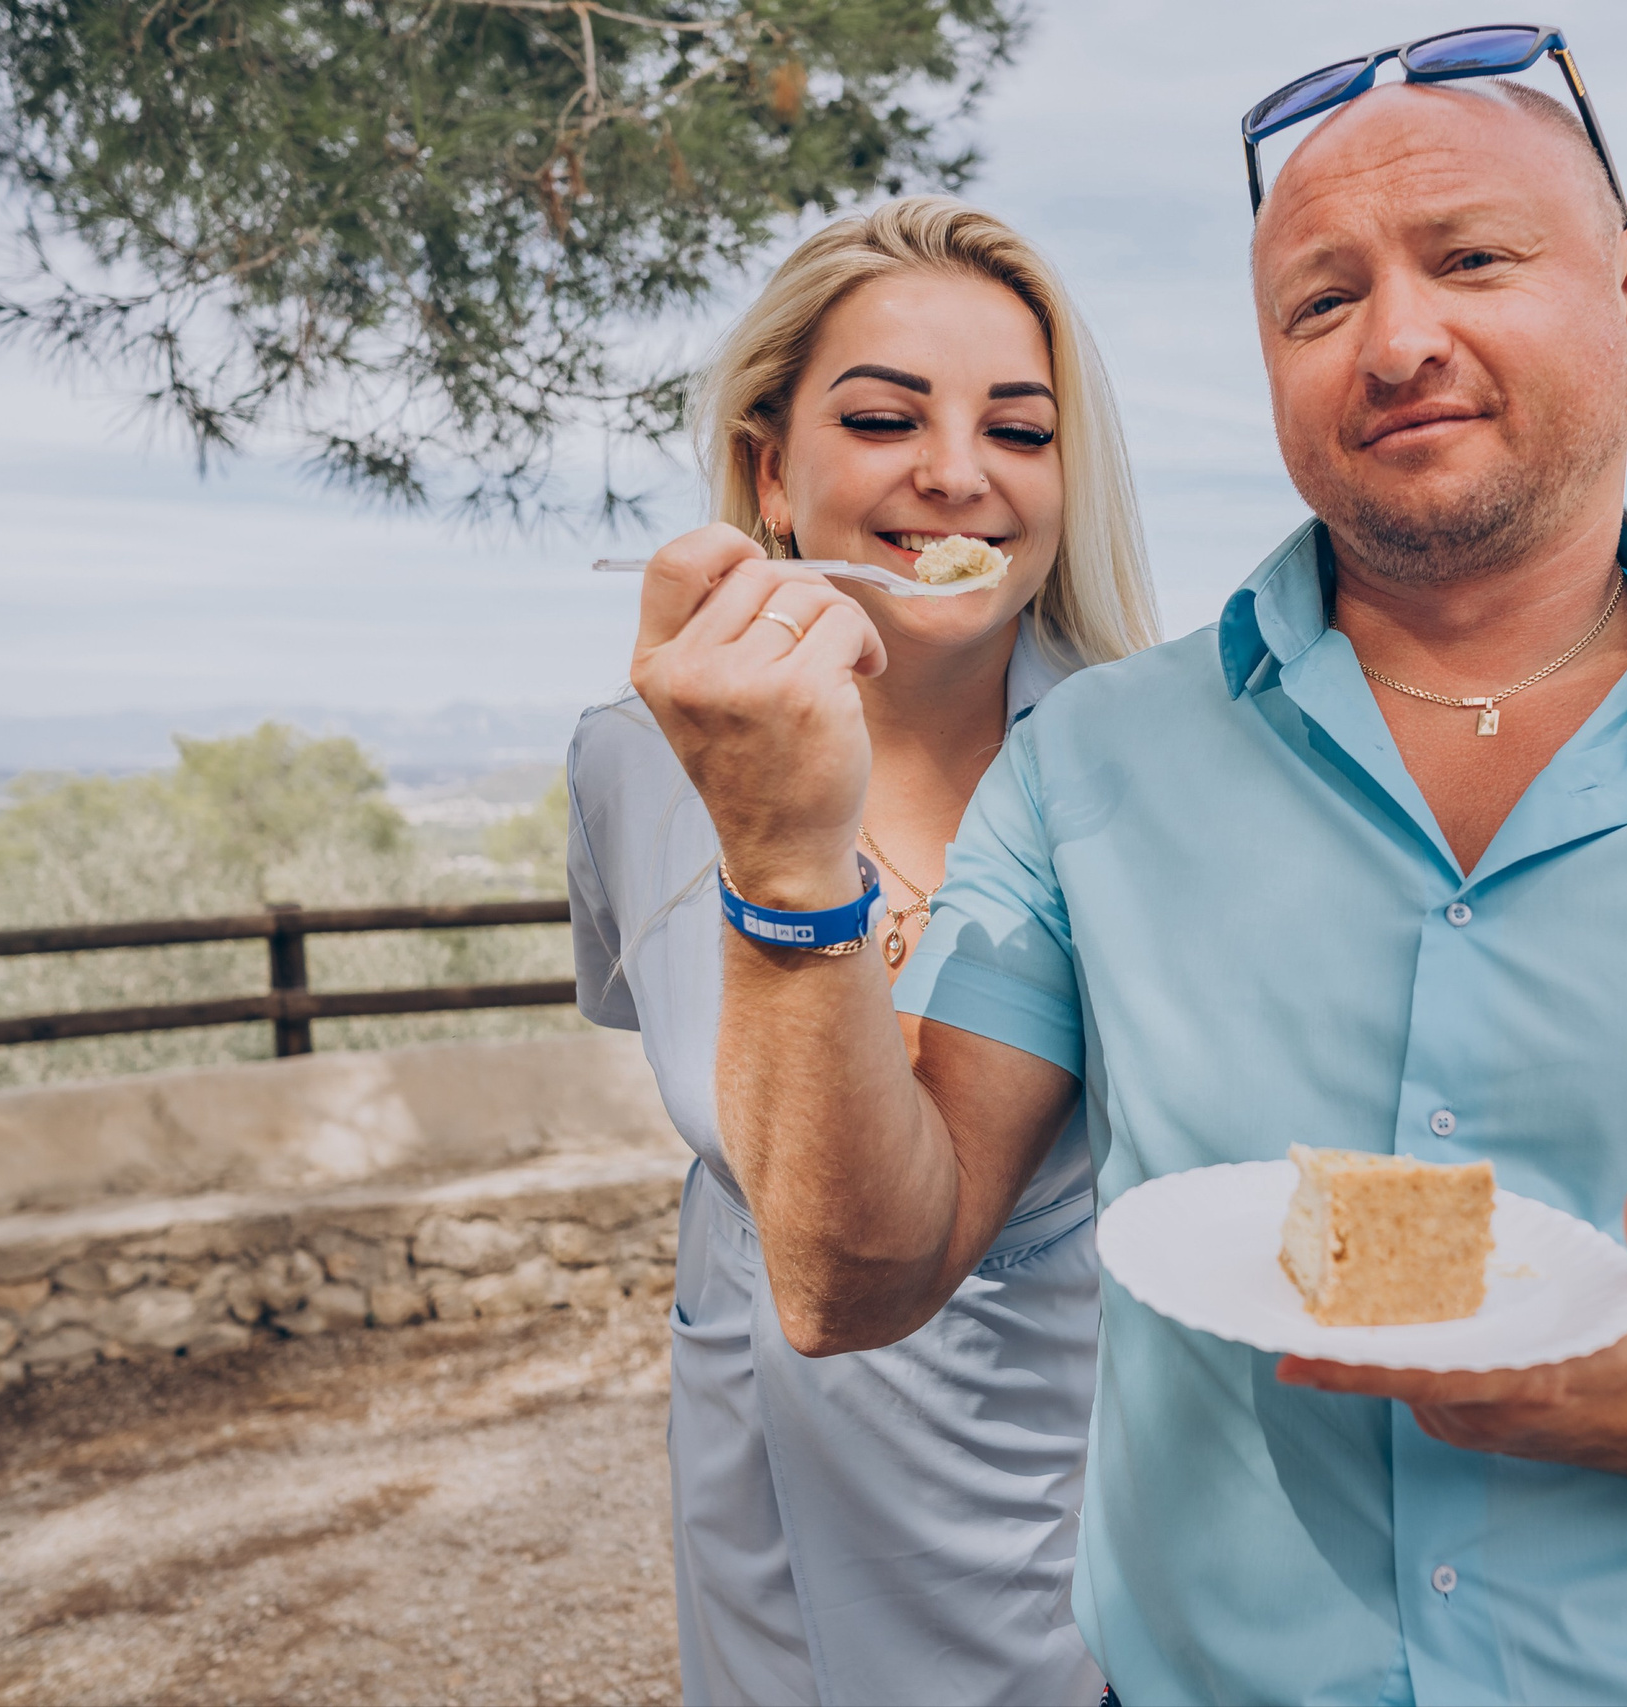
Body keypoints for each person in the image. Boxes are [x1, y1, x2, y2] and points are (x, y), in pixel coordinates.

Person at [629, 40, 1627, 1707]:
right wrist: (786, 855)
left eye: (1472, 259)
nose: (1400, 337)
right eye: (1317, 302)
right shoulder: (1083, 771)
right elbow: (858, 1279)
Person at [565, 195, 1155, 1706]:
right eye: (888, 418)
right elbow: (684, 1069)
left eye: (1020, 434)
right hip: (777, 1496)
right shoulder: (634, 763)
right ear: (772, 471)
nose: (957, 475)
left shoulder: (1151, 770)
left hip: (1084, 1486)